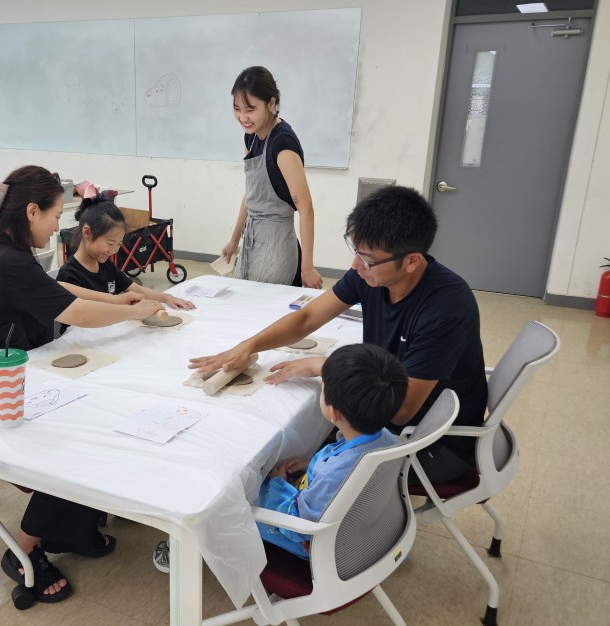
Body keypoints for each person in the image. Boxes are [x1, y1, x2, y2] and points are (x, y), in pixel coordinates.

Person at [0, 165, 162, 604]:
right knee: (84, 436)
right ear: (32, 211)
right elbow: (74, 311)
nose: (57, 227)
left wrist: (121, 299)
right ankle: (23, 549)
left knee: (104, 408)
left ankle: (72, 527)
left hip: (21, 366)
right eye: (54, 216)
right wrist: (131, 311)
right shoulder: (7, 259)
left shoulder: (6, 249)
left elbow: (63, 293)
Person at [192, 186, 487, 484]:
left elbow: (400, 411)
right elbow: (307, 318)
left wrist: (325, 366)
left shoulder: (445, 309)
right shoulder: (370, 275)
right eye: (354, 251)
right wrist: (249, 345)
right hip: (380, 422)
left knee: (281, 467)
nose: (356, 266)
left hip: (430, 444)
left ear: (411, 261)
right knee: (288, 441)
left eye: (367, 259)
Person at [257, 344, 406, 558]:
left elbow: (297, 527)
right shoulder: (388, 439)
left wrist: (277, 483)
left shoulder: (331, 476)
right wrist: (313, 464)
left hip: (325, 548)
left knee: (243, 503)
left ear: (333, 412)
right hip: (369, 528)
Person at [223, 66, 323, 289]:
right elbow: (252, 193)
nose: (243, 117)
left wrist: (307, 267)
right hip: (252, 241)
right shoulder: (251, 137)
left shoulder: (282, 144)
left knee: (264, 304)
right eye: (237, 109)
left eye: (250, 109)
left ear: (271, 103)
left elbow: (306, 208)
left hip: (277, 246)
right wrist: (234, 239)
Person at [56, 192, 195, 331]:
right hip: (80, 337)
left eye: (119, 244)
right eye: (110, 243)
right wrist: (129, 308)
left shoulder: (106, 265)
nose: (114, 250)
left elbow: (136, 289)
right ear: (87, 233)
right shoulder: (69, 275)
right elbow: (85, 316)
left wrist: (166, 297)